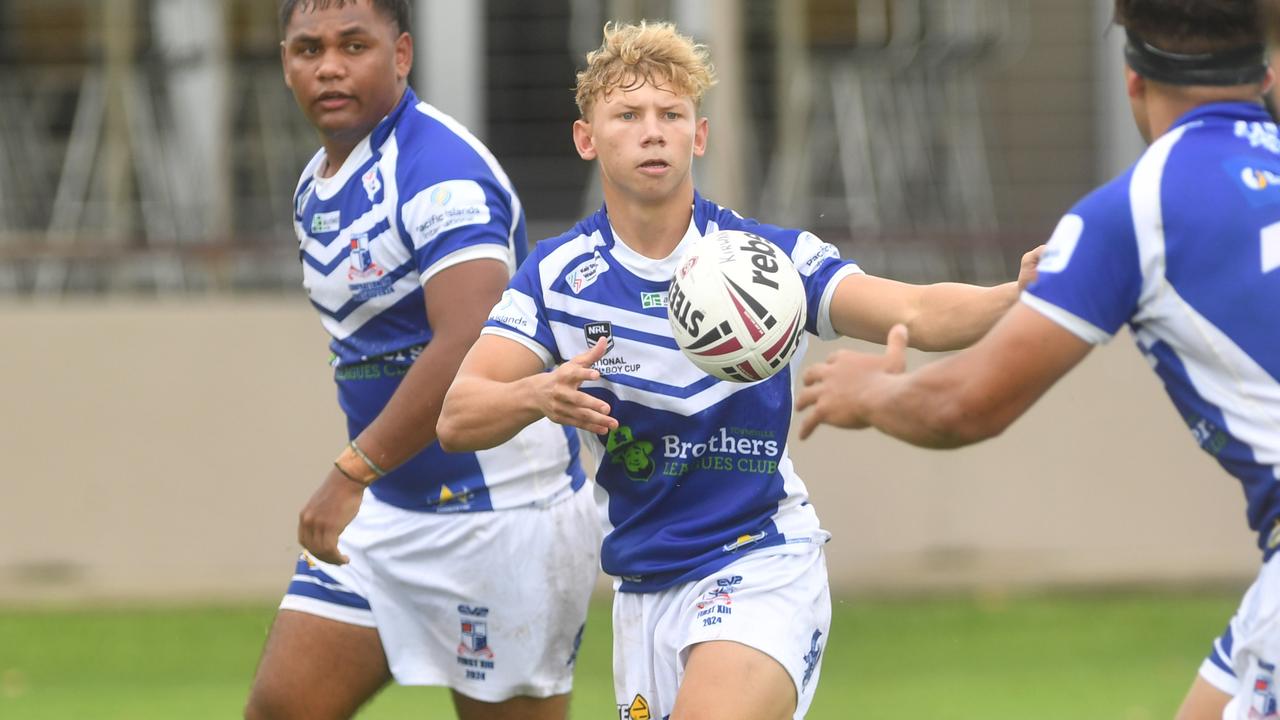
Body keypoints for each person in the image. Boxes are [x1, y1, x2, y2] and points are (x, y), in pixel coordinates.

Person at [436, 20, 1040, 720]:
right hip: (644, 587)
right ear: (586, 138)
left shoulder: (766, 264)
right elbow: (457, 416)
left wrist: (1014, 297)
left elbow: (912, 307)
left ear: (700, 136)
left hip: (761, 562)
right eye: (628, 115)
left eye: (671, 115)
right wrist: (539, 393)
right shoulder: (557, 278)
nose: (652, 131)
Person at [795, 1, 1279, 718]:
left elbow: (968, 404)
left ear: (1132, 81)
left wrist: (871, 394)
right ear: (1264, 73)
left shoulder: (1135, 212)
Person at [244, 2, 600, 719]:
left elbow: (469, 334)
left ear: (401, 54)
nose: (330, 66)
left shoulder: (442, 171)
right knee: (281, 708)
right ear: (286, 62)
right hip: (391, 513)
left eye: (354, 45)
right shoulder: (316, 184)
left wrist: (352, 470)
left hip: (503, 515)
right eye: (309, 48)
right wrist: (370, 479)